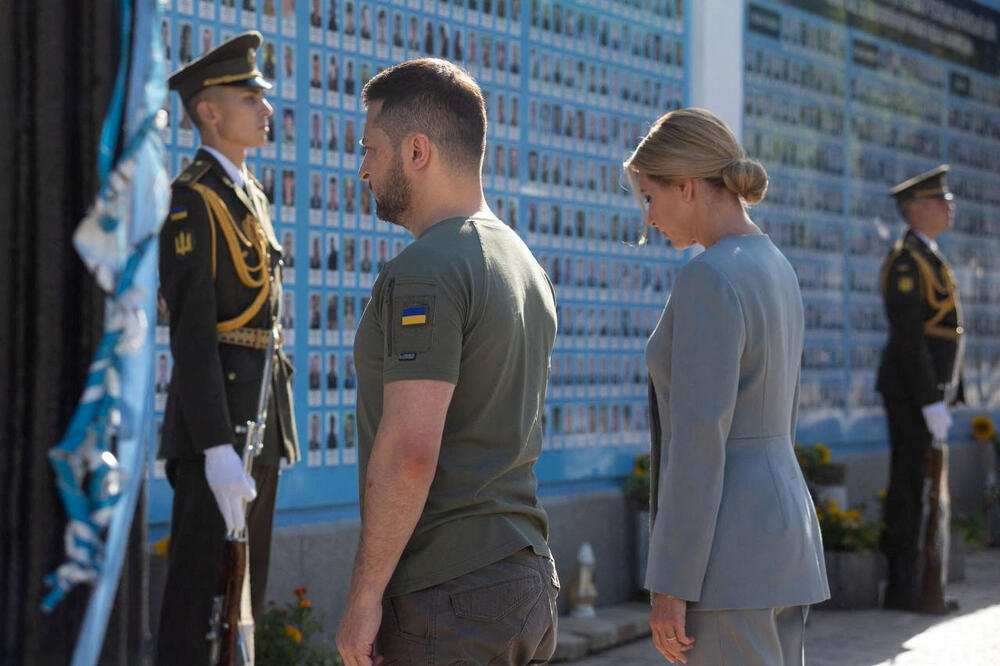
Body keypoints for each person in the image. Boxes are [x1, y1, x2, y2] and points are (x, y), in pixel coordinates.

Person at [336, 58, 559, 666]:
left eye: (370, 149)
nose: (362, 169)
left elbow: (410, 452)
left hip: (449, 594)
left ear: (416, 151)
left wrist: (363, 598)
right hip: (523, 578)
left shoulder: (429, 269)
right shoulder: (522, 262)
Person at [626, 108, 829, 665]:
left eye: (650, 197)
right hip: (783, 540)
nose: (648, 218)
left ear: (687, 187)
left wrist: (672, 583)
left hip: (727, 556)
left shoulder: (708, 277)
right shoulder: (775, 264)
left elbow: (698, 443)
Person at [157, 31, 300, 665]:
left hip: (260, 422)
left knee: (245, 598)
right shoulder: (193, 200)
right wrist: (215, 446)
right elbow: (192, 334)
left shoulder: (252, 196)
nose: (265, 108)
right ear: (208, 111)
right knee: (197, 603)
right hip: (218, 430)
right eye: (250, 97)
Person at [876, 164, 964, 614]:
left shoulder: (929, 256)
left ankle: (921, 582)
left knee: (924, 485)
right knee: (909, 485)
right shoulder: (906, 262)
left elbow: (947, 333)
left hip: (930, 393)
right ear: (916, 209)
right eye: (940, 201)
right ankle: (902, 587)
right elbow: (911, 339)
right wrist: (930, 401)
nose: (949, 207)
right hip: (912, 394)